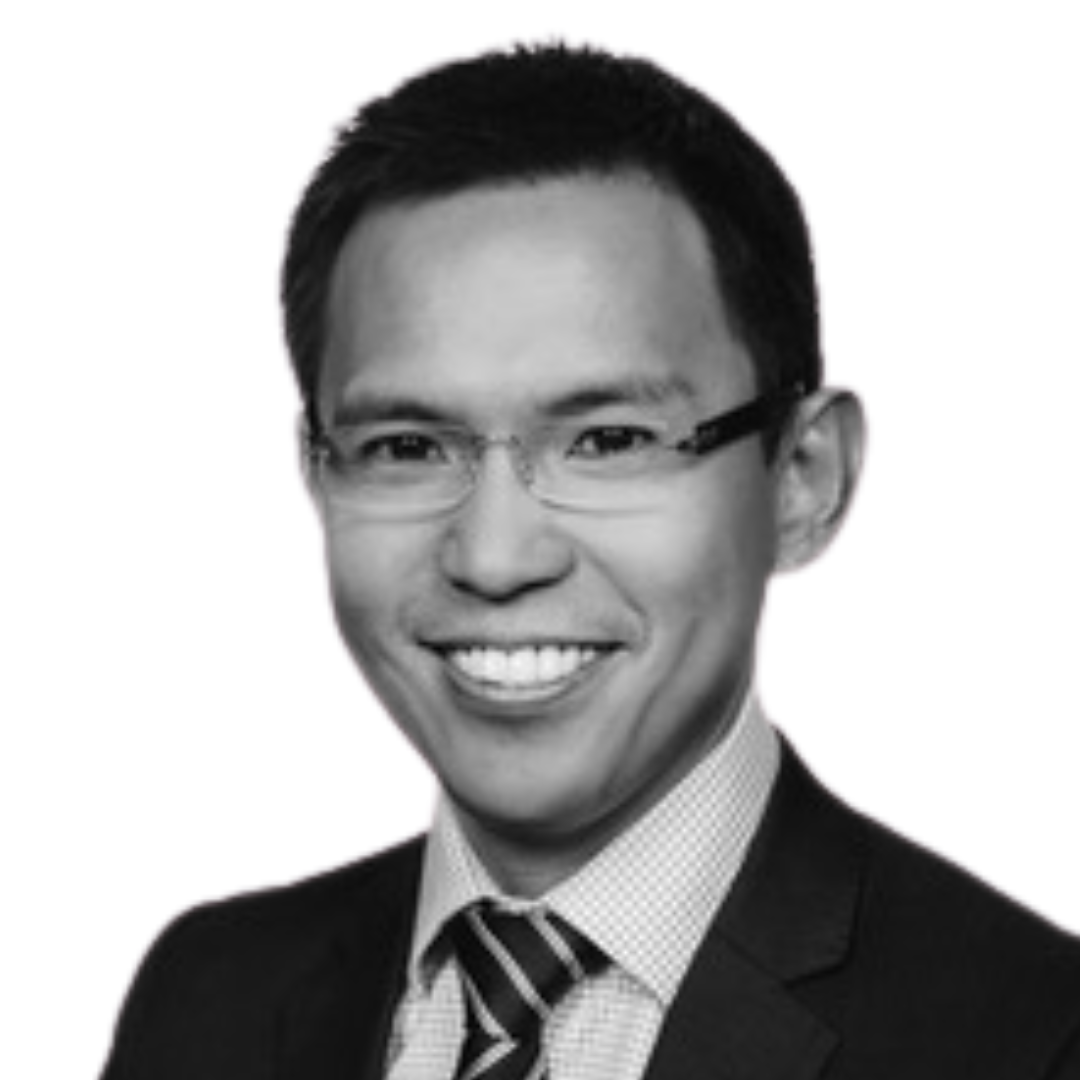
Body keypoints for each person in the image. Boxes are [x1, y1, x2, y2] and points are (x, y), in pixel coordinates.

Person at [100, 43, 1080, 1079]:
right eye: (407, 447)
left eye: (607, 440)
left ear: (803, 478)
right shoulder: (209, 1001)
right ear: (317, 473)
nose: (494, 557)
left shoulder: (1035, 1043)